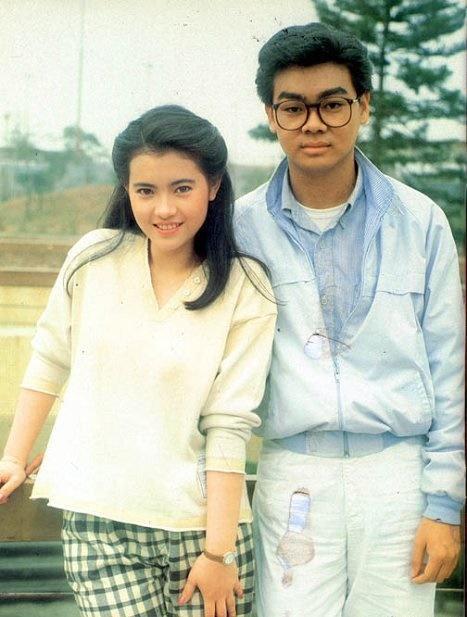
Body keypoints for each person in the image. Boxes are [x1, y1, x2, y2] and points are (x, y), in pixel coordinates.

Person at [0, 105, 277, 617]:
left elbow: (230, 423)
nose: (163, 208)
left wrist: (217, 553)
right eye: (145, 190)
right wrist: (14, 457)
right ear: (126, 190)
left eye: (182, 188)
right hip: (100, 523)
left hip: (205, 531)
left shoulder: (246, 286)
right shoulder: (94, 258)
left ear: (214, 186)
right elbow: (49, 359)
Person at [234, 22, 464, 617]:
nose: (313, 124)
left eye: (332, 104)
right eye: (294, 108)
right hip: (293, 477)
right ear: (271, 115)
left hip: (398, 482)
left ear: (363, 105)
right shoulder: (239, 228)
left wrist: (444, 504)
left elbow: (449, 369)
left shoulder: (421, 221)